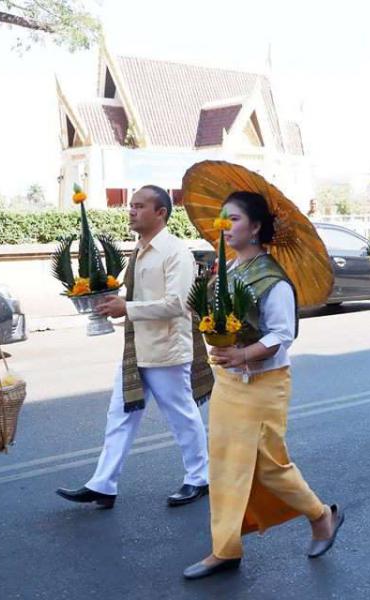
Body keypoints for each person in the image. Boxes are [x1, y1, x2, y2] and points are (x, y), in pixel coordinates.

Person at [183, 191, 343, 580]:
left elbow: (282, 335)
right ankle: (225, 548)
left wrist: (242, 354)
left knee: (270, 466)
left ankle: (321, 515)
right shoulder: (228, 269)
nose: (225, 225)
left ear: (255, 227)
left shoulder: (272, 278)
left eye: (234, 219)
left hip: (264, 382)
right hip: (229, 382)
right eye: (222, 218)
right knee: (224, 465)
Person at [56, 185, 212, 509]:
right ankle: (103, 484)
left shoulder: (175, 252)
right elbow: (143, 297)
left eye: (140, 206)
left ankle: (199, 478)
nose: (131, 211)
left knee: (182, 417)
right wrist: (117, 301)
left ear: (161, 213)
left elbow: (177, 304)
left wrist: (126, 308)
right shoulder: (139, 250)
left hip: (166, 351)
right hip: (137, 350)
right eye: (131, 205)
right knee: (120, 416)